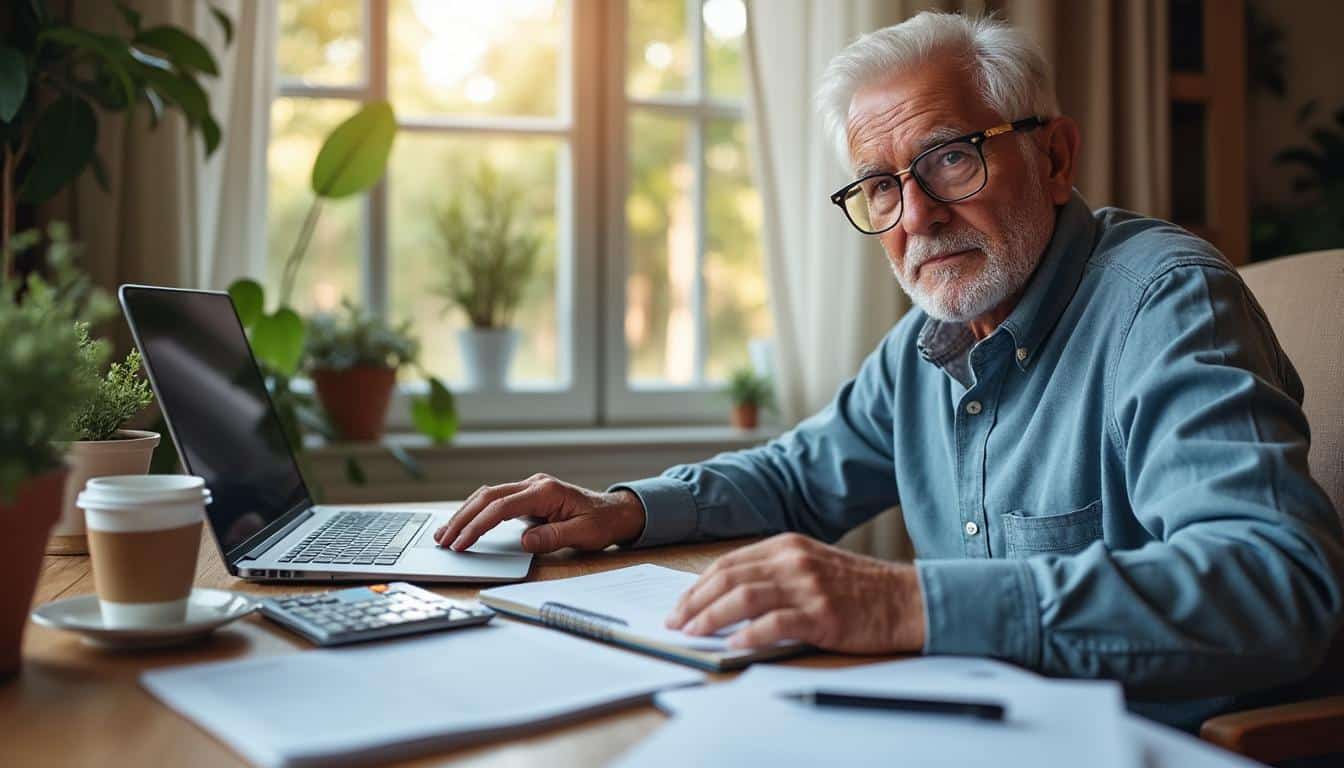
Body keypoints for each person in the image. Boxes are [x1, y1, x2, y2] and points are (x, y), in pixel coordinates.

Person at [435, 12, 1344, 730]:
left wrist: (908, 602)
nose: (915, 216)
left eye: (950, 157)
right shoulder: (928, 340)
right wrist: (625, 509)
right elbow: (794, 476)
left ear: (1055, 156)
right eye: (879, 184)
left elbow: (1275, 586)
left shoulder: (1165, 304)